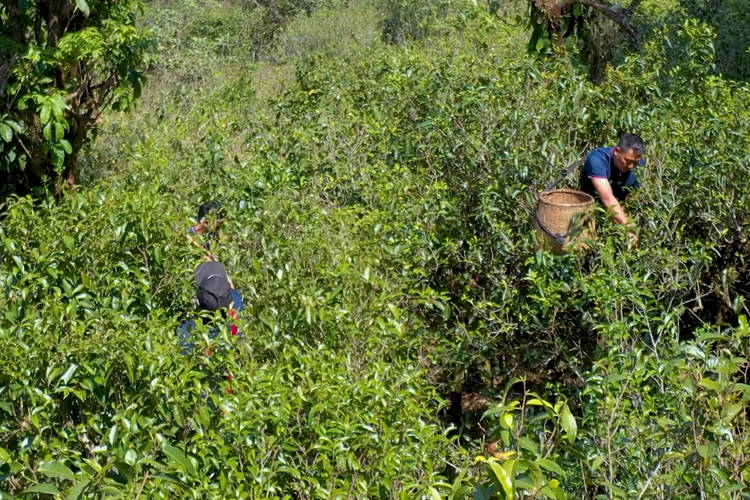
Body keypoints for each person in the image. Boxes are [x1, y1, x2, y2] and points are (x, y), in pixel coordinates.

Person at [579, 133, 645, 243]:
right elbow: (608, 199)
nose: (631, 166)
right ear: (617, 151)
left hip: (620, 209)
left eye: (635, 162)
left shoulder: (639, 164)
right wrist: (630, 228)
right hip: (592, 210)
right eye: (627, 161)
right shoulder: (597, 160)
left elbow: (637, 194)